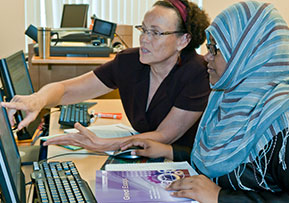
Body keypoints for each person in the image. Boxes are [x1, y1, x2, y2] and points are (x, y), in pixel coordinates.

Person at [120, 1, 289, 202]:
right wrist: (169, 151)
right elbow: (226, 160)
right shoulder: (228, 98)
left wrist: (221, 197)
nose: (207, 57)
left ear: (245, 53)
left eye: (215, 49)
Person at [1, 0, 210, 151]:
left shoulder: (198, 74)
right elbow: (67, 90)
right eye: (143, 30)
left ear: (183, 40)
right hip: (141, 155)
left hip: (182, 166)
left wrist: (103, 144)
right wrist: (37, 100)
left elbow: (164, 136)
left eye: (155, 32)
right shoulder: (130, 61)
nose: (144, 39)